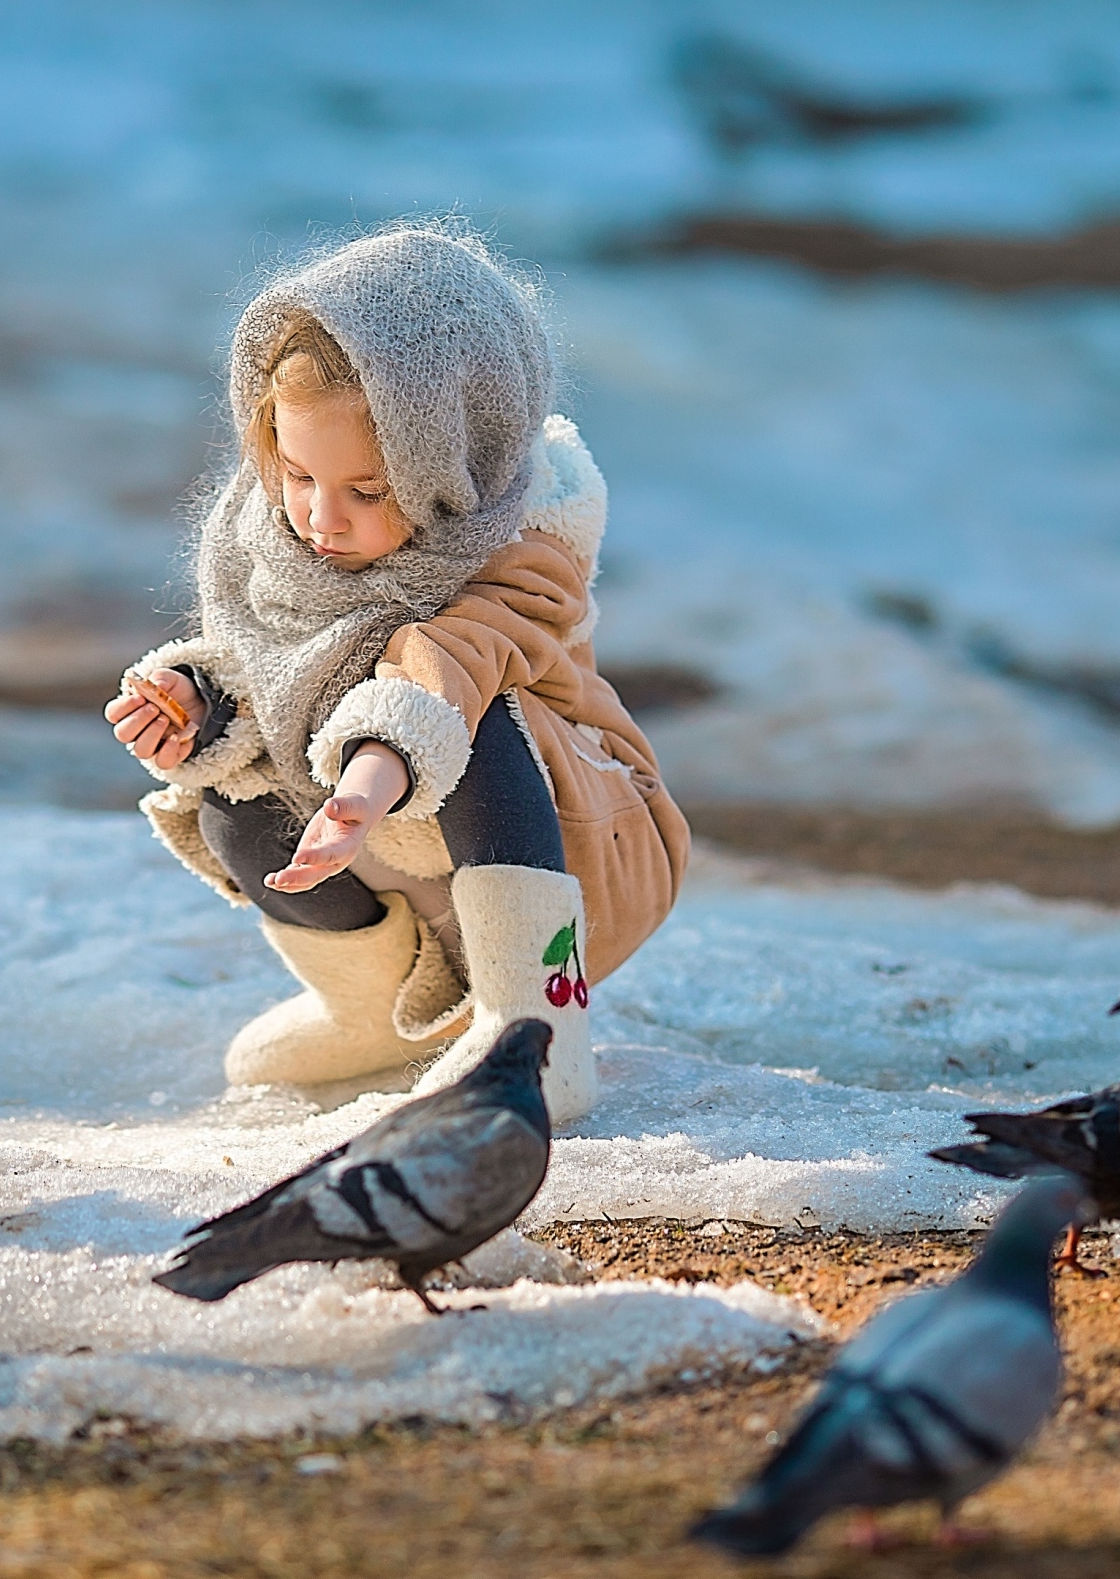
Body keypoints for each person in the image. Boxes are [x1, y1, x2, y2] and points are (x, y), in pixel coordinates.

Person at [105, 226, 688, 1125]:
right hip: (395, 842)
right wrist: (199, 703)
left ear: (458, 457)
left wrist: (366, 784)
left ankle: (536, 1034)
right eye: (296, 474)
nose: (319, 518)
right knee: (231, 787)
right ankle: (374, 1011)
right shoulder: (270, 534)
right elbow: (273, 670)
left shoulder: (525, 547)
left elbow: (444, 669)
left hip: (579, 842)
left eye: (368, 491)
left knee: (477, 716)